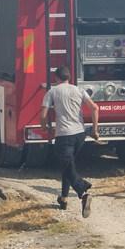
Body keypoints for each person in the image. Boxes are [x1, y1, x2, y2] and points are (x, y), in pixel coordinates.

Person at [40, 66, 99, 216]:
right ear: (69, 78)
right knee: (67, 165)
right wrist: (95, 129)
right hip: (80, 134)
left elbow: (43, 114)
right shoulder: (78, 90)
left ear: (56, 78)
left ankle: (82, 191)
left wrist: (46, 128)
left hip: (64, 135)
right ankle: (64, 198)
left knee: (67, 165)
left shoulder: (52, 91)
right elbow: (94, 108)